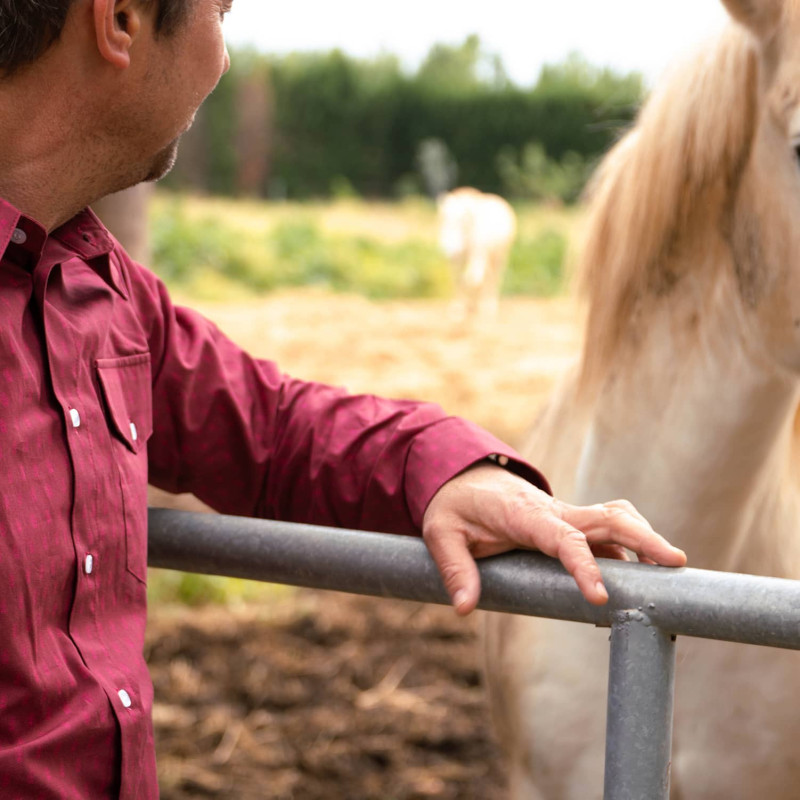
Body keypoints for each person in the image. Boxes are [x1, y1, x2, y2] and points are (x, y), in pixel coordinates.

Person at [0, 1, 687, 797]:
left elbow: (270, 426)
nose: (223, 60)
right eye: (222, 11)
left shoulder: (96, 285)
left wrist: (452, 473)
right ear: (119, 19)